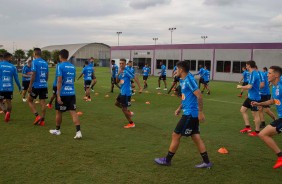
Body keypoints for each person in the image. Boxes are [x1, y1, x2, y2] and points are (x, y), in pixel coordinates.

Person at [154, 61, 212, 168]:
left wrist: (200, 112)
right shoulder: (183, 79)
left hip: (190, 114)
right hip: (189, 112)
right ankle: (207, 162)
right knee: (196, 137)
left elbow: (199, 95)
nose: (175, 71)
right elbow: (187, 97)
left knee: (176, 135)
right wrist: (179, 108)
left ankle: (167, 160)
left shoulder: (189, 79)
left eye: (176, 69)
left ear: (181, 70)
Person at [251, 66, 282, 169]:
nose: (267, 75)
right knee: (263, 134)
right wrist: (259, 103)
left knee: (263, 134)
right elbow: (273, 101)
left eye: (269, 73)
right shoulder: (274, 86)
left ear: (276, 75)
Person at [49, 49, 82, 139]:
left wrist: (58, 95)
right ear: (67, 56)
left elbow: (59, 81)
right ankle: (78, 132)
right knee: (73, 112)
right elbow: (73, 80)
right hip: (71, 92)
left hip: (63, 94)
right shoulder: (72, 67)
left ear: (60, 56)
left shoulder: (60, 66)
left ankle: (58, 130)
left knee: (59, 112)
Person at [237, 60, 261, 136]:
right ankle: (248, 127)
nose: (246, 67)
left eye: (246, 65)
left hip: (254, 98)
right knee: (243, 110)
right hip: (250, 97)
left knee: (255, 114)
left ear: (249, 66)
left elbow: (250, 86)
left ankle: (257, 132)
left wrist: (241, 86)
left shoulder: (254, 74)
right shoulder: (252, 74)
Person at [27, 48, 49, 126]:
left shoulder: (34, 62)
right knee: (43, 103)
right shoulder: (45, 63)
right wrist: (44, 82)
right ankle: (42, 120)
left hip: (36, 86)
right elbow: (47, 76)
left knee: (29, 100)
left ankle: (37, 116)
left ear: (34, 54)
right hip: (44, 85)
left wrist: (30, 86)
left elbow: (33, 74)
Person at [0, 52, 21, 122]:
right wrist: (19, 87)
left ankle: (6, 113)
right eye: (11, 57)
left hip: (1, 88)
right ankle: (8, 113)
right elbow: (16, 78)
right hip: (9, 88)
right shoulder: (12, 66)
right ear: (8, 57)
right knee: (9, 102)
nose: (11, 58)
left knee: (0, 102)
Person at [115, 58, 135, 128]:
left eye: (122, 63)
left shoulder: (127, 71)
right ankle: (128, 112)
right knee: (116, 103)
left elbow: (134, 77)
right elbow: (117, 81)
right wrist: (118, 74)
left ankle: (131, 123)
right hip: (122, 92)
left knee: (124, 109)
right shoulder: (121, 71)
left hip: (126, 93)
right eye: (120, 63)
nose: (121, 65)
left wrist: (140, 87)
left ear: (125, 64)